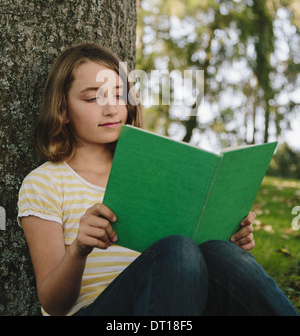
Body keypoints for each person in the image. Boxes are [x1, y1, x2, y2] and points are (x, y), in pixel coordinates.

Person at [17, 42, 298, 317]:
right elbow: (54, 305)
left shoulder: (154, 171)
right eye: (93, 98)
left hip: (172, 301)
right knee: (178, 249)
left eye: (118, 95)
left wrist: (230, 239)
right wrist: (78, 249)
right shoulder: (45, 183)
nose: (111, 109)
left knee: (217, 250)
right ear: (62, 109)